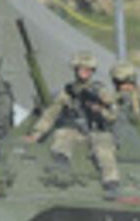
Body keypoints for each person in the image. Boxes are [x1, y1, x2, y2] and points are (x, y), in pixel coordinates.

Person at [26, 51, 121, 198]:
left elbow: (113, 115)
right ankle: (62, 166)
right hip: (77, 130)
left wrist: (100, 110)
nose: (85, 72)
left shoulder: (100, 91)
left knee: (103, 150)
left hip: (97, 130)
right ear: (76, 70)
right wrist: (36, 134)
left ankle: (111, 184)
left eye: (88, 70)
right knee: (63, 135)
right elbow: (51, 113)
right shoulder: (69, 91)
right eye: (82, 69)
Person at [111, 60, 140, 145]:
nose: (125, 87)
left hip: (135, 138)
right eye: (120, 84)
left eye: (127, 83)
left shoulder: (139, 99)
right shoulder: (118, 97)